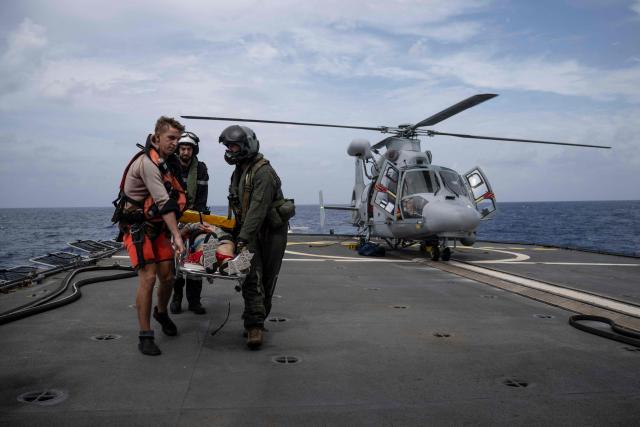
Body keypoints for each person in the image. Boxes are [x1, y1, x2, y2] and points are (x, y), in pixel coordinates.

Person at [113, 116, 186, 356]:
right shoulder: (147, 164)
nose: (175, 143)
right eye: (170, 138)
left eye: (177, 138)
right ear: (156, 138)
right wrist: (177, 235)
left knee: (168, 276)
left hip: (157, 229)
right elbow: (164, 202)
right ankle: (145, 336)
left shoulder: (166, 163)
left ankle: (161, 312)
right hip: (138, 229)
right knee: (149, 277)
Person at [219, 125, 290, 349]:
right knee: (251, 277)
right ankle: (254, 325)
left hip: (270, 232)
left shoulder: (263, 173)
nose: (230, 150)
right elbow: (241, 207)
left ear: (247, 145)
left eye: (234, 146)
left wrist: (242, 238)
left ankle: (257, 319)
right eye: (228, 146)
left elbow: (258, 210)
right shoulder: (240, 171)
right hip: (249, 231)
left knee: (266, 280)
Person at [170, 132, 210, 315]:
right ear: (178, 150)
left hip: (195, 217)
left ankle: (194, 301)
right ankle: (176, 298)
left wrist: (194, 221)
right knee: (176, 261)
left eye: (189, 149)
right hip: (174, 219)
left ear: (194, 151)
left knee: (196, 259)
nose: (185, 152)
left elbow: (202, 198)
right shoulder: (170, 167)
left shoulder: (201, 169)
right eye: (183, 148)